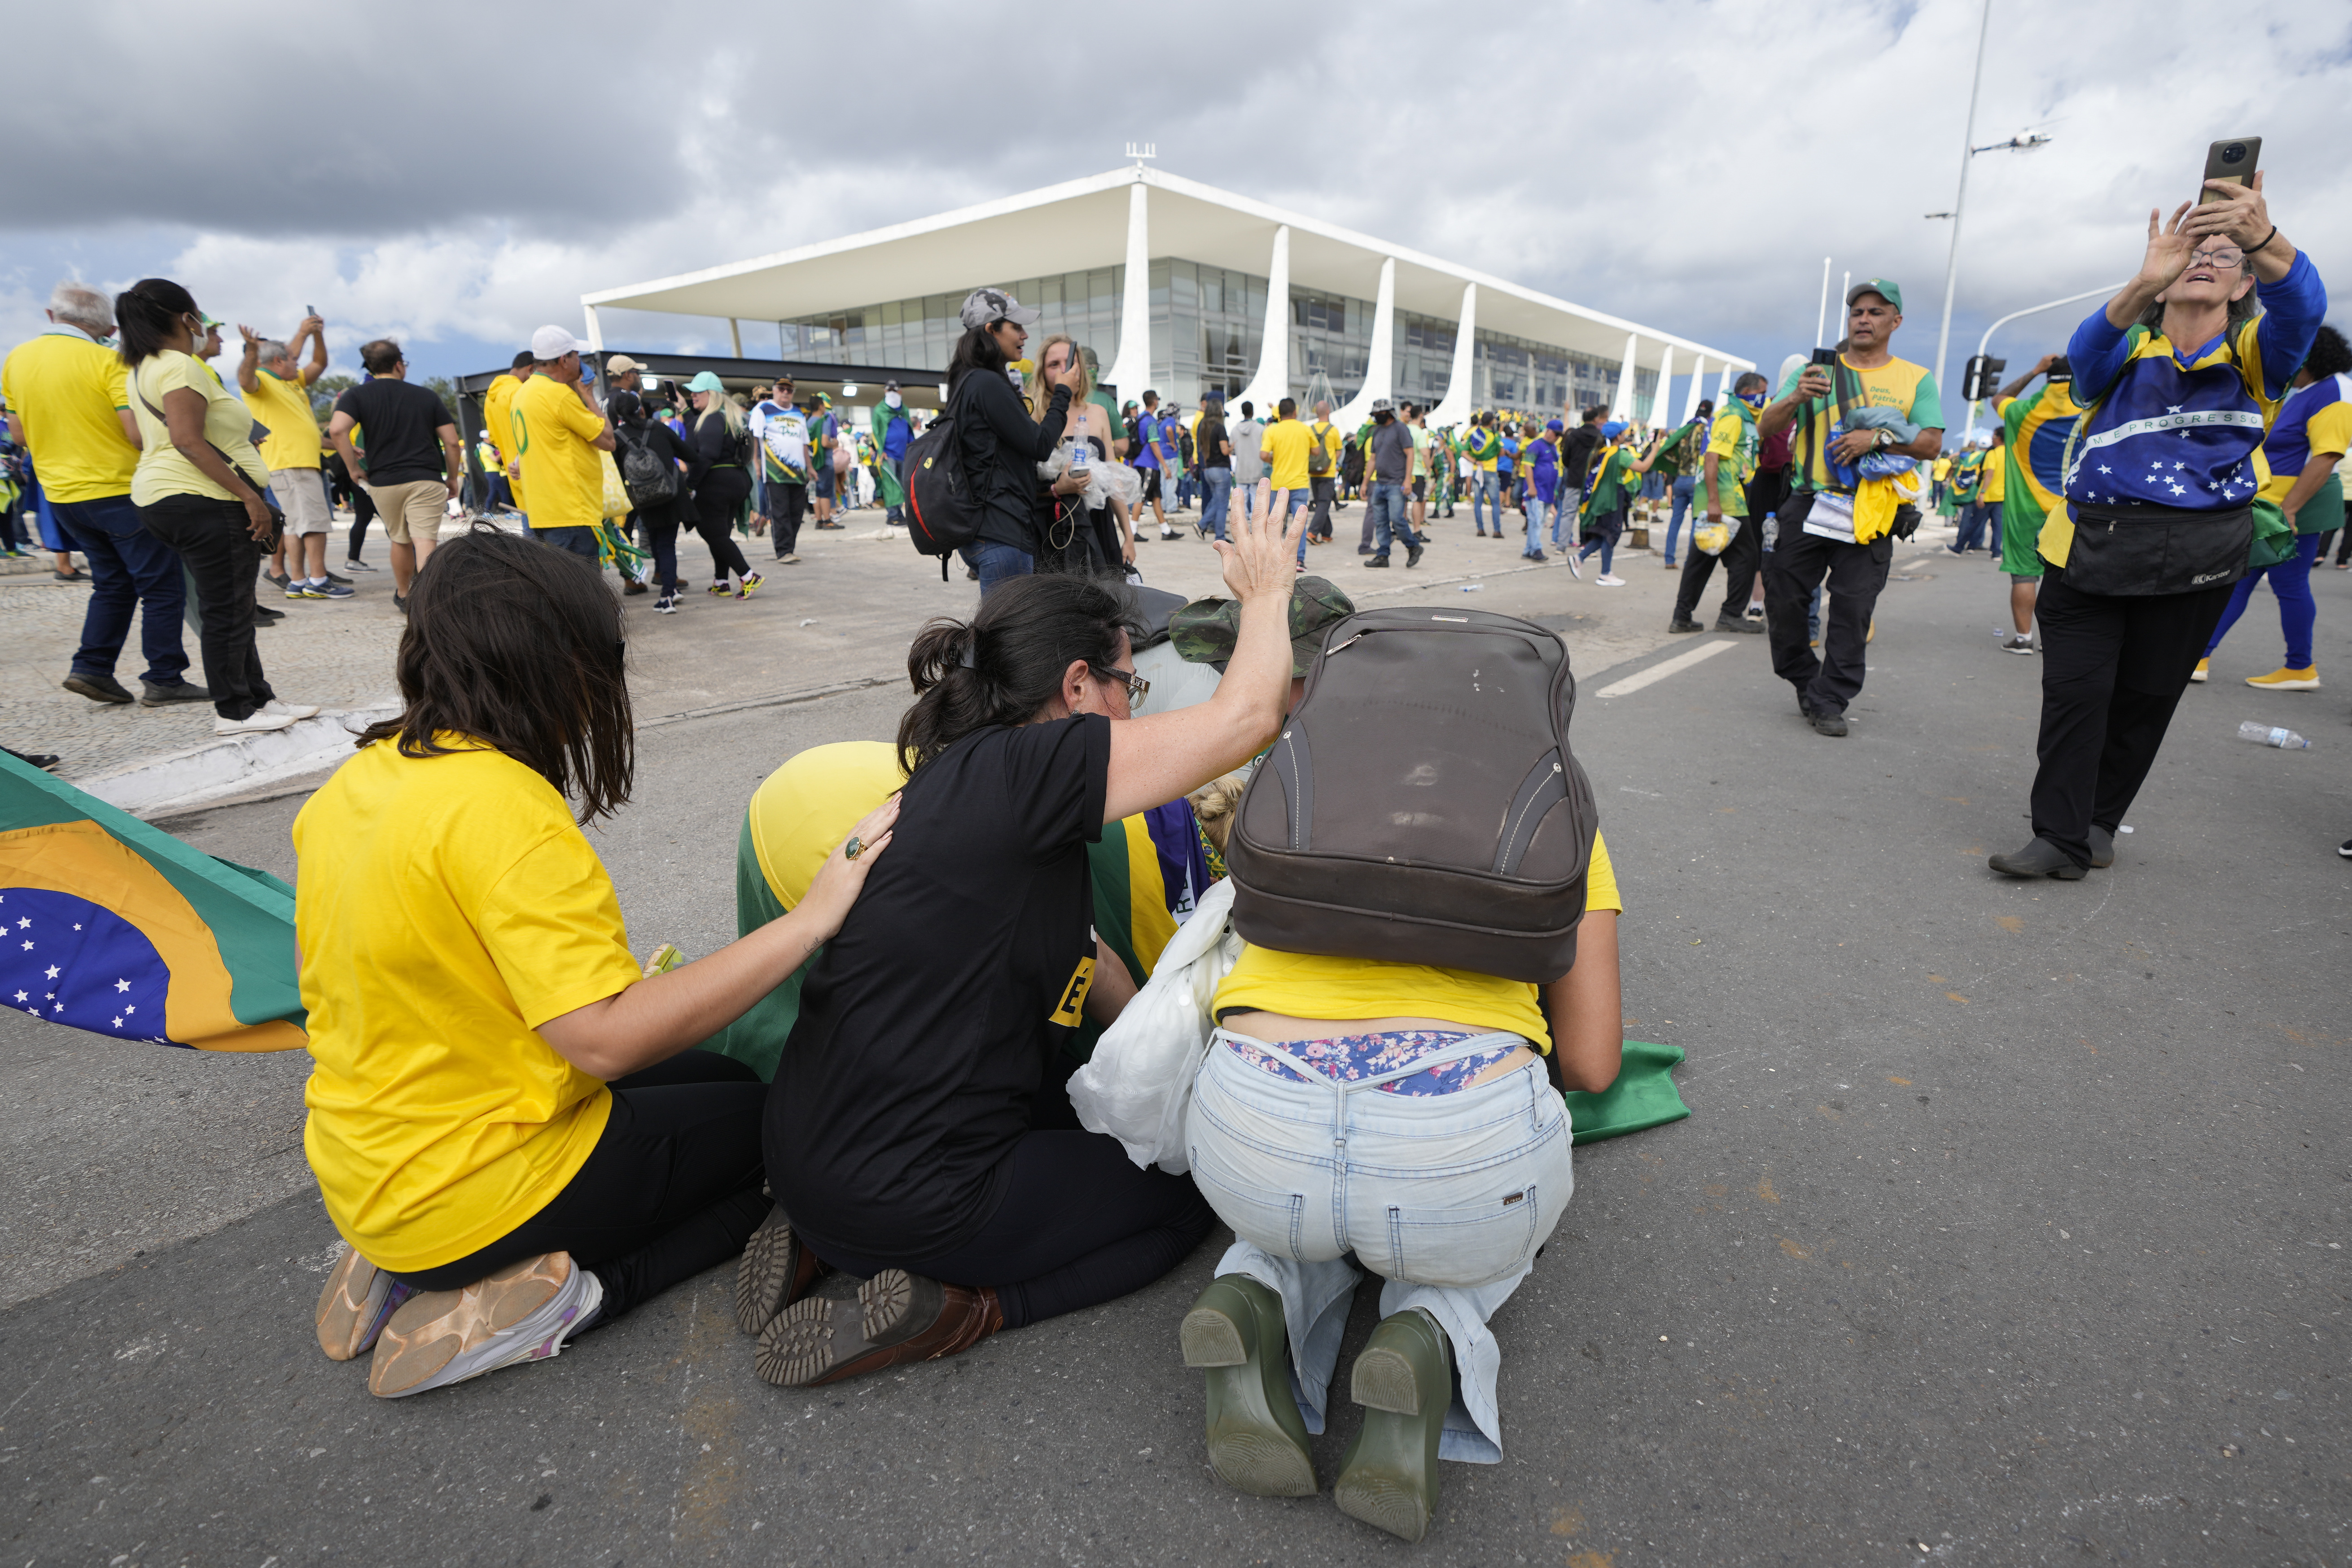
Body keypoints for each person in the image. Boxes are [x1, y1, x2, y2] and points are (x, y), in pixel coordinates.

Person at [295, 526, 897, 1399]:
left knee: (727, 1084)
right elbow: (606, 1040)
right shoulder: (502, 805)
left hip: (368, 1160)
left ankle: (397, 1267)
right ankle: (569, 1298)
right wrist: (809, 922)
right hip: (474, 1190)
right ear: (553, 668)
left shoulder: (361, 780)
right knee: (783, 1138)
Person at [749, 498, 1302, 1388]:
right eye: (1133, 686)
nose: (1136, 708)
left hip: (805, 1152)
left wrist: (1174, 1061)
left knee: (1084, 1113)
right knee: (1182, 1195)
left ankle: (820, 1239)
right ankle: (964, 1309)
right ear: (1077, 687)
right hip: (912, 1197)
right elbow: (1244, 723)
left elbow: (1086, 961)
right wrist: (1269, 591)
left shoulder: (959, 789)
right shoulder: (1032, 769)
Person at [1180, 812, 1623, 1544]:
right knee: (1463, 1194)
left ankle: (1256, 1285)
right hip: (1447, 1137)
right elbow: (1592, 1061)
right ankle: (1429, 1330)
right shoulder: (1557, 804)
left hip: (1250, 1120)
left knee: (1322, 1197)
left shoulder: (1296, 764)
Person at [1991, 173, 2323, 880]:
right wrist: (2143, 282)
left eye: (2223, 257)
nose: (2206, 259)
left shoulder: (2256, 358)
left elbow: (2305, 304)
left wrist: (2260, 236)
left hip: (2195, 558)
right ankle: (2058, 834)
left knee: (2144, 698)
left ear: (2242, 289)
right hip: (2088, 549)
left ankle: (2100, 819)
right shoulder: (2123, 353)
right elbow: (2084, 356)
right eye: (2192, 253)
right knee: (2075, 694)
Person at [114, 278, 314, 736]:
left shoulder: (143, 367)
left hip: (169, 496)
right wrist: (250, 497)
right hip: (202, 499)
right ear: (186, 319)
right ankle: (236, 709)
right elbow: (187, 440)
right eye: (200, 316)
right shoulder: (180, 367)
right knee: (227, 607)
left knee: (233, 603)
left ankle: (257, 697)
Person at [1759, 279, 1946, 737]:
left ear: (1895, 322)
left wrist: (1877, 436)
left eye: (1876, 312)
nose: (1864, 318)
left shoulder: (1915, 378)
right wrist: (1796, 397)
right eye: (1858, 311)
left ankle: (1830, 697)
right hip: (1807, 503)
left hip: (1871, 508)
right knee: (1784, 601)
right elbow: (1766, 426)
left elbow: (1931, 443)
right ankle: (1805, 676)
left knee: (1853, 608)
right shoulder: (1812, 370)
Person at [4, 281, 205, 709]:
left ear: (50, 316)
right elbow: (135, 433)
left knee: (112, 584)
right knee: (161, 587)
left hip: (61, 495)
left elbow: (18, 433)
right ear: (108, 325)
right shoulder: (107, 359)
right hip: (118, 490)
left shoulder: (16, 359)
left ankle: (93, 668)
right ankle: (165, 678)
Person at [2193, 323, 2350, 691]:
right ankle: (2200, 656)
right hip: (2272, 504)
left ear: (2307, 357)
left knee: (2286, 583)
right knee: (2240, 581)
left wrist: (2292, 509)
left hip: (2296, 505)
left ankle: (2299, 667)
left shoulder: (2336, 392)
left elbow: (2325, 456)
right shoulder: (2311, 391)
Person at [945, 287, 1083, 594]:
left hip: (987, 530)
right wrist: (1062, 392)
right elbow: (1038, 444)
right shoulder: (986, 383)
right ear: (991, 330)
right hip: (1001, 533)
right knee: (1006, 636)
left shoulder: (968, 379)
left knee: (1001, 630)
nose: (1024, 335)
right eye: (1016, 327)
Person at [325, 340, 463, 601]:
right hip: (426, 479)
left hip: (384, 482)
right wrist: (453, 477)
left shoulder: (356, 395)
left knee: (400, 540)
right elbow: (452, 442)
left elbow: (337, 430)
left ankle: (404, 594)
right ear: (399, 364)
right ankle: (429, 600)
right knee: (425, 541)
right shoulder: (427, 396)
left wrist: (353, 468)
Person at [1988, 354, 2081, 656]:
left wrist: (2034, 369)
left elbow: (1999, 398)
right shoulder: (2091, 409)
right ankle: (2059, 640)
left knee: (2024, 574)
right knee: (2070, 577)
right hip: (2071, 509)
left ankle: (2024, 638)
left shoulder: (2022, 412)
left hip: (2024, 508)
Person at [235, 316, 336, 591]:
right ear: (279, 362)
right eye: (293, 359)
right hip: (292, 463)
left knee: (294, 525)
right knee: (313, 524)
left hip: (297, 463)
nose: (298, 362)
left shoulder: (291, 383)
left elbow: (319, 364)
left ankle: (299, 581)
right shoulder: (263, 381)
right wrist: (252, 352)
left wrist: (316, 335)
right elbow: (245, 380)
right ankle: (318, 581)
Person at [1669, 373, 1772, 635]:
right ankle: (1730, 615)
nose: (1764, 399)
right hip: (1726, 498)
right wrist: (1715, 502)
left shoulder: (1742, 416)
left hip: (1721, 496)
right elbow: (1712, 457)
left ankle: (1682, 617)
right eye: (1761, 393)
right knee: (1748, 558)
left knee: (1702, 558)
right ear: (1748, 391)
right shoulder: (1734, 418)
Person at [511, 328, 618, 571]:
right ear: (564, 360)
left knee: (557, 593)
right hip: (572, 513)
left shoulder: (523, 393)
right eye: (577, 355)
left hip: (540, 512)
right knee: (584, 597)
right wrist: (589, 396)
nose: (580, 362)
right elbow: (608, 440)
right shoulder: (558, 395)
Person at [609, 389, 697, 613]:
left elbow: (618, 474)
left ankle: (668, 594)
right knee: (667, 544)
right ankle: (669, 593)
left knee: (657, 541)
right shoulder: (658, 427)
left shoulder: (617, 437)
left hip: (644, 499)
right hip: (671, 495)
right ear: (640, 409)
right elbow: (690, 455)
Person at [678, 372, 761, 598]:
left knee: (711, 532)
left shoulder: (713, 418)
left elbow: (707, 455)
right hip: (735, 482)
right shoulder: (727, 417)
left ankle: (748, 576)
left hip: (717, 484)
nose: (693, 395)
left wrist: (690, 485)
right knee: (720, 533)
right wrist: (684, 409)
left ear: (711, 395)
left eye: (697, 392)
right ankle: (722, 581)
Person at [1570, 421, 1652, 585]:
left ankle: (1580, 559)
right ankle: (1605, 573)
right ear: (1618, 437)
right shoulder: (1618, 455)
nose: (1625, 434)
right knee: (1610, 535)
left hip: (1601, 501)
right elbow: (1642, 468)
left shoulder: (1601, 453)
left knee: (1603, 533)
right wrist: (1655, 450)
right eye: (1623, 432)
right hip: (1611, 500)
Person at [750, 376, 809, 566]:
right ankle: (783, 550)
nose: (785, 392)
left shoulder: (799, 413)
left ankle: (789, 549)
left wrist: (811, 468)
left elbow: (804, 443)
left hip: (798, 473)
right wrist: (756, 463)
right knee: (780, 512)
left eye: (789, 390)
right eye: (782, 389)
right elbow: (755, 438)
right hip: (775, 472)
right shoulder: (763, 409)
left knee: (797, 513)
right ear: (774, 390)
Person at [1361, 399, 1419, 569]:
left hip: (1396, 483)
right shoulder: (1377, 431)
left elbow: (1410, 454)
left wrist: (1408, 480)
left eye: (1379, 414)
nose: (1376, 417)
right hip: (1380, 483)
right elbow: (1373, 459)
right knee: (1380, 522)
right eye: (1375, 415)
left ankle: (1413, 546)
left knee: (1397, 519)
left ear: (1388, 413)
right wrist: (1365, 483)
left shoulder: (1401, 429)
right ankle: (1383, 555)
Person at [1260, 397, 1317, 566]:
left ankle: (1273, 559)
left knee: (1275, 523)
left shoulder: (1272, 430)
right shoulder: (1305, 430)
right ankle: (1299, 561)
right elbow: (1316, 450)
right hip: (1300, 483)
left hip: (1278, 484)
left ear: (1280, 414)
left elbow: (1263, 455)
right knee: (1299, 524)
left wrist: (1275, 459)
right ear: (1295, 412)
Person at [1656, 401, 1713, 569]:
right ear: (1710, 414)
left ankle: (1669, 559)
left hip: (1680, 479)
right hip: (1696, 480)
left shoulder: (1685, 429)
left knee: (1675, 521)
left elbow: (1670, 448)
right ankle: (1691, 561)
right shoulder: (1706, 430)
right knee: (1696, 521)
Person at [484, 350, 534, 517]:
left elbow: (492, 438)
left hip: (514, 474)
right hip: (535, 471)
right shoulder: (521, 391)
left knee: (530, 537)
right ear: (531, 369)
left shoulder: (491, 398)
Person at [1554, 407, 1604, 555]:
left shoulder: (1574, 435)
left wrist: (1574, 468)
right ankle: (1588, 546)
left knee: (1568, 514)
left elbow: (1565, 458)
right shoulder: (1600, 437)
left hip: (1574, 479)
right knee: (1589, 514)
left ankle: (1561, 546)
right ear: (1596, 419)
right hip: (1592, 483)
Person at [1196, 392, 1235, 543]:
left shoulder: (1204, 427)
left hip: (1209, 470)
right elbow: (1225, 450)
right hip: (1221, 469)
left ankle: (1209, 529)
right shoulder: (1220, 428)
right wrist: (1233, 447)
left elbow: (1202, 449)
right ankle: (1207, 528)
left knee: (1216, 501)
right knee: (1222, 503)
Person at [875, 380, 914, 526]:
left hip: (903, 453)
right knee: (891, 485)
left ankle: (901, 513)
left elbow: (909, 430)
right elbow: (876, 432)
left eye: (894, 390)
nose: (892, 393)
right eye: (889, 390)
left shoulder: (904, 410)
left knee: (903, 484)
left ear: (900, 392)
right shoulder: (880, 410)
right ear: (885, 392)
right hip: (888, 454)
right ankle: (893, 515)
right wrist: (881, 451)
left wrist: (912, 447)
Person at [1521, 419, 1561, 561]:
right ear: (1548, 431)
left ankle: (1528, 550)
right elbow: (1527, 466)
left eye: (1559, 435)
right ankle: (1536, 549)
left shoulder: (1554, 448)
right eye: (1556, 433)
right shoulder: (1536, 446)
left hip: (1548, 491)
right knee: (1536, 520)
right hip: (1537, 490)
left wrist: (1554, 492)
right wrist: (1531, 487)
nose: (1557, 437)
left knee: (1538, 521)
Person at [1230, 399, 1266, 534]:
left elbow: (1232, 451)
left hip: (1241, 470)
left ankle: (1240, 530)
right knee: (1256, 501)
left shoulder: (1234, 430)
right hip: (1257, 470)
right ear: (1253, 411)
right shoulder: (1261, 429)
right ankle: (1256, 530)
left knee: (1241, 502)